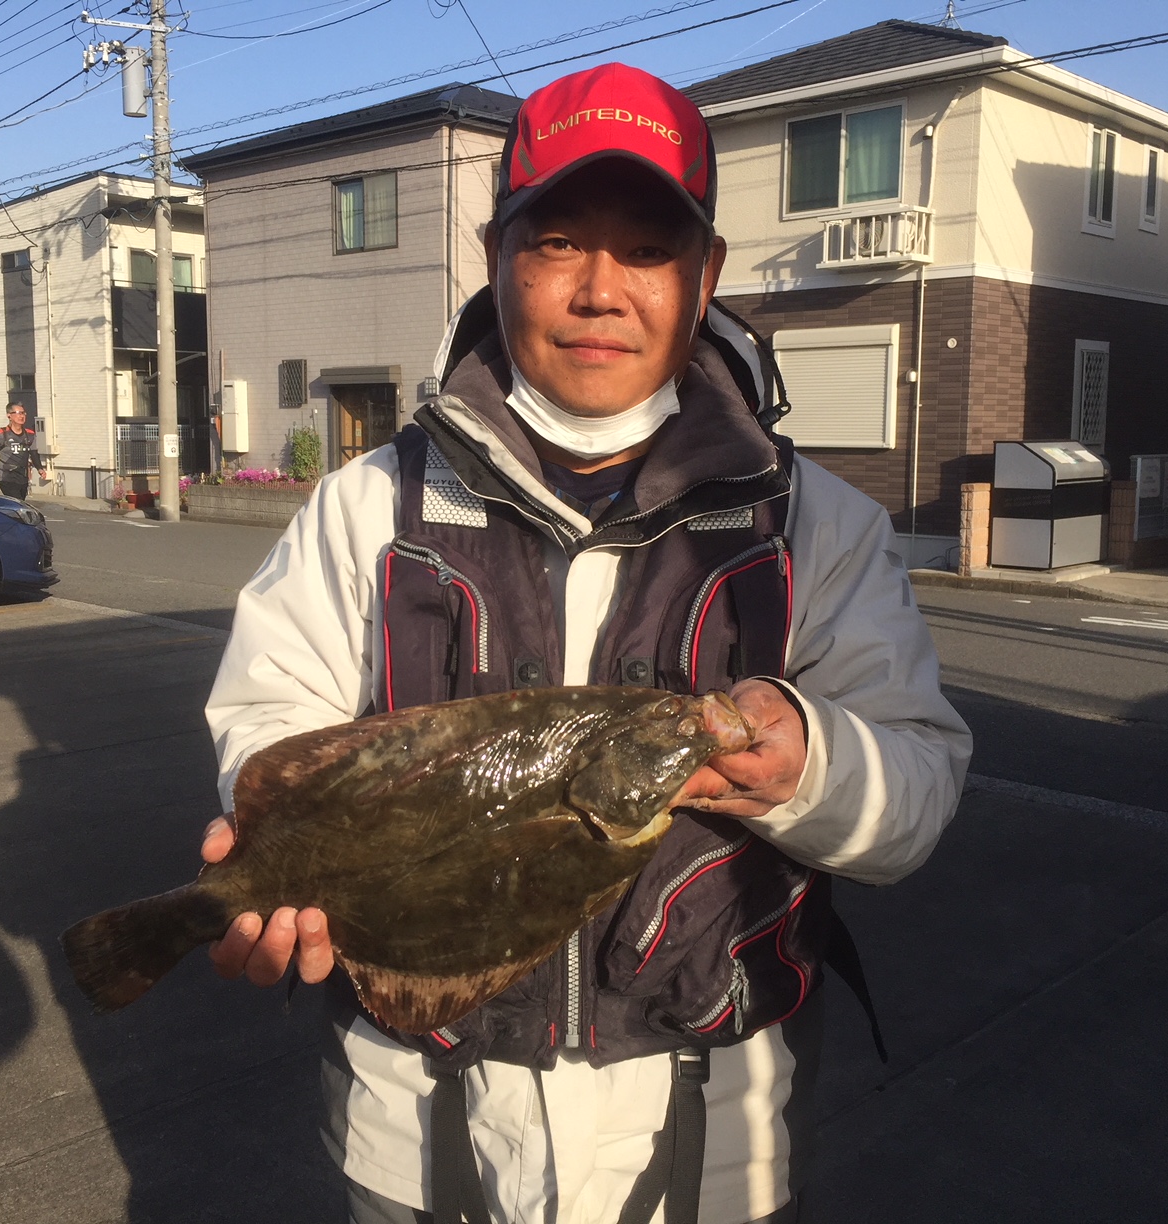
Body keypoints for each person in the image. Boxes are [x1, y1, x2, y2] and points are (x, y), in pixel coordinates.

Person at [202, 63, 971, 1224]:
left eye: (648, 249)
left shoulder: (816, 523)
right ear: (499, 257)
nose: (600, 291)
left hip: (709, 1141)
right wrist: (283, 840)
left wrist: (808, 761)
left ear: (704, 275)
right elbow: (269, 716)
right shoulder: (368, 504)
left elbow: (913, 793)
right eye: (558, 241)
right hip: (416, 1128)